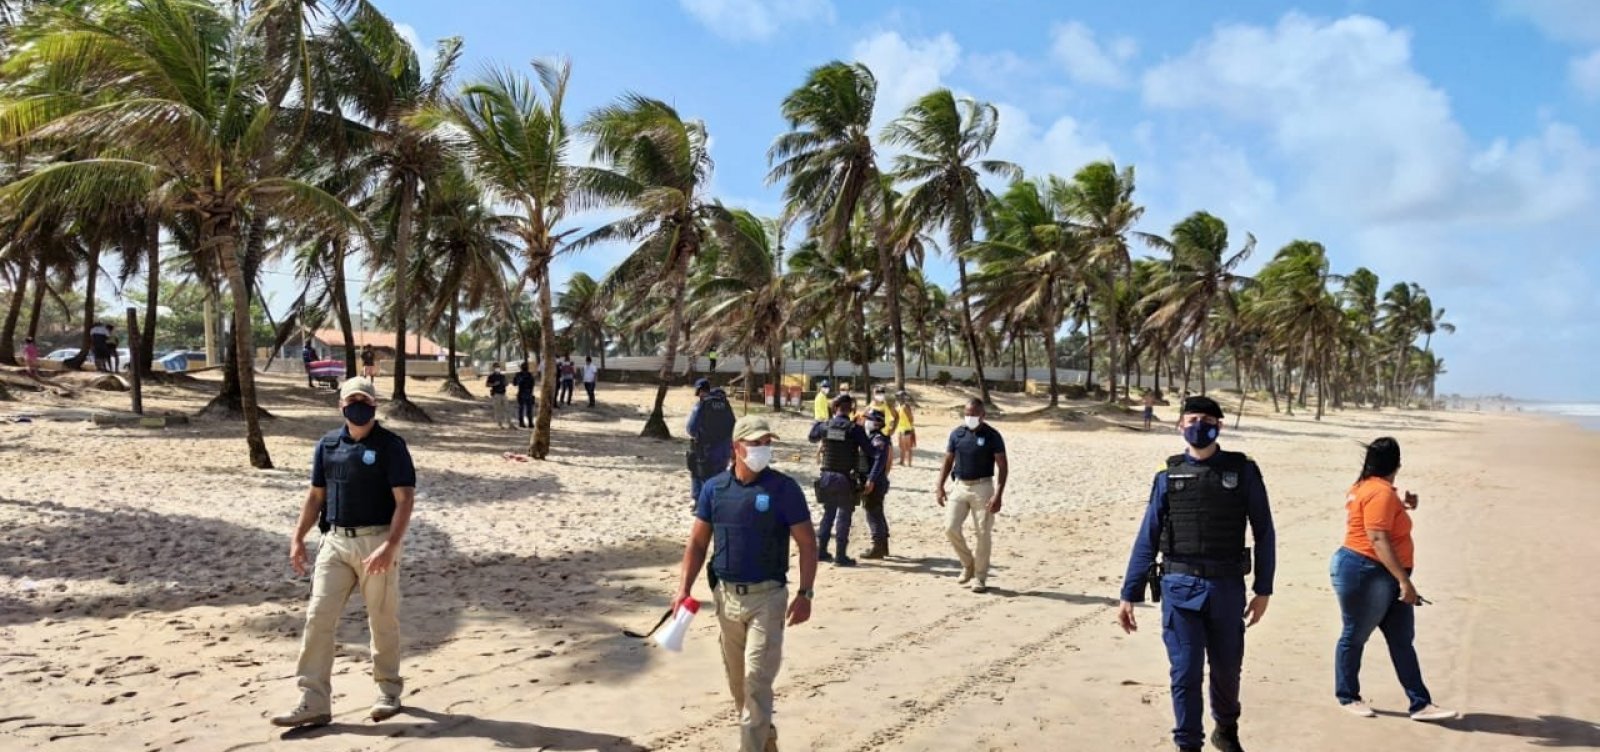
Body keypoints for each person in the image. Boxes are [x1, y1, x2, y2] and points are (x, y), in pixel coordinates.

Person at [1115, 396, 1276, 752]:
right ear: (1179, 426)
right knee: (1185, 673)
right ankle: (1187, 743)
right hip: (1179, 588)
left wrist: (1263, 589)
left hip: (1227, 588)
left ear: (1220, 425)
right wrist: (1129, 592)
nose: (1197, 425)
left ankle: (1226, 729)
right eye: (1190, 419)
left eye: (1205, 419)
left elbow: (1264, 531)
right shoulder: (1167, 475)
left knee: (1226, 671)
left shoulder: (1243, 470)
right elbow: (1148, 535)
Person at [273, 377, 416, 728]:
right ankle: (313, 699)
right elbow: (315, 496)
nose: (358, 405)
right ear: (341, 405)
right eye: (352, 400)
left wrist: (390, 545)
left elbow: (404, 499)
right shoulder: (327, 445)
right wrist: (297, 538)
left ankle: (388, 691)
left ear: (374, 405)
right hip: (334, 542)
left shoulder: (391, 446)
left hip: (376, 542)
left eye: (365, 400)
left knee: (382, 619)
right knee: (318, 617)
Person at [673, 414, 816, 752]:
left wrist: (805, 593)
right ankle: (766, 742)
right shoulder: (714, 489)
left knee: (756, 681)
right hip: (726, 600)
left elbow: (808, 544)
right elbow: (696, 543)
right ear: (737, 447)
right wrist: (683, 590)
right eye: (756, 444)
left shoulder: (784, 489)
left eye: (768, 443)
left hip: (768, 599)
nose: (764, 450)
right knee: (740, 688)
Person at [1331, 438, 1456, 722]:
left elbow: (1379, 519)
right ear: (1397, 464)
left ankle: (1420, 703)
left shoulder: (1367, 487)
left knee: (1402, 639)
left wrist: (1404, 506)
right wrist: (1404, 581)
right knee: (1355, 634)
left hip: (1375, 571)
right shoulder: (1379, 492)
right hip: (1367, 571)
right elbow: (1376, 537)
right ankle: (1347, 695)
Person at [935, 399, 1008, 593]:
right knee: (950, 527)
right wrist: (940, 486)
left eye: (974, 414)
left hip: (983, 487)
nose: (970, 417)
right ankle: (968, 564)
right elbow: (948, 460)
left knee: (983, 533)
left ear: (983, 415)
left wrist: (998, 494)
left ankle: (980, 577)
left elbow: (1002, 465)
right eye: (967, 413)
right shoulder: (957, 434)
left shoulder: (992, 436)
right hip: (959, 486)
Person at [808, 394, 872, 567]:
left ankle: (821, 551)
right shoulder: (854, 429)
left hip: (827, 476)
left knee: (828, 514)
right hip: (845, 477)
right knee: (843, 516)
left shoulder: (825, 426)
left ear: (834, 407)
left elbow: (812, 436)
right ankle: (840, 555)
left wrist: (821, 422)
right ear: (850, 409)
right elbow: (870, 450)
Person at [687, 378, 736, 502]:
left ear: (700, 391)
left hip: (706, 449)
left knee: (698, 473)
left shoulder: (703, 404)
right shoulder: (725, 404)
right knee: (720, 476)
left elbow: (691, 429)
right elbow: (734, 425)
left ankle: (700, 503)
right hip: (724, 448)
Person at [859, 407, 894, 560]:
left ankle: (878, 547)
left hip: (875, 481)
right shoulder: (872, 437)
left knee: (872, 512)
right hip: (877, 480)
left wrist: (871, 479)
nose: (866, 421)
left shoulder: (877, 438)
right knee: (877, 512)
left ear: (878, 423)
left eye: (869, 419)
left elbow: (880, 461)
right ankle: (883, 546)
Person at [894, 390, 917, 468]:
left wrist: (911, 428)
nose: (898, 398)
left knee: (908, 447)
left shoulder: (905, 406)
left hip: (907, 429)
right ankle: (902, 461)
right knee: (901, 447)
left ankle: (909, 463)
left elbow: (911, 418)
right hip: (900, 429)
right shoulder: (898, 406)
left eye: (900, 397)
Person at [485, 363, 510, 429]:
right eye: (496, 367)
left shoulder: (502, 376)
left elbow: (506, 383)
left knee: (507, 409)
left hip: (503, 393)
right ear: (493, 368)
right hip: (496, 394)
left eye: (498, 367)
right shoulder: (491, 376)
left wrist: (506, 383)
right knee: (498, 409)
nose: (497, 368)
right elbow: (487, 385)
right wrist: (494, 384)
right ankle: (499, 424)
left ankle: (509, 423)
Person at [512, 361, 535, 428]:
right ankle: (523, 423)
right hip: (523, 393)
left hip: (527, 393)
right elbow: (515, 383)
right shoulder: (520, 374)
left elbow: (532, 384)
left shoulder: (528, 374)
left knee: (527, 409)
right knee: (523, 409)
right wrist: (520, 379)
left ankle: (529, 422)